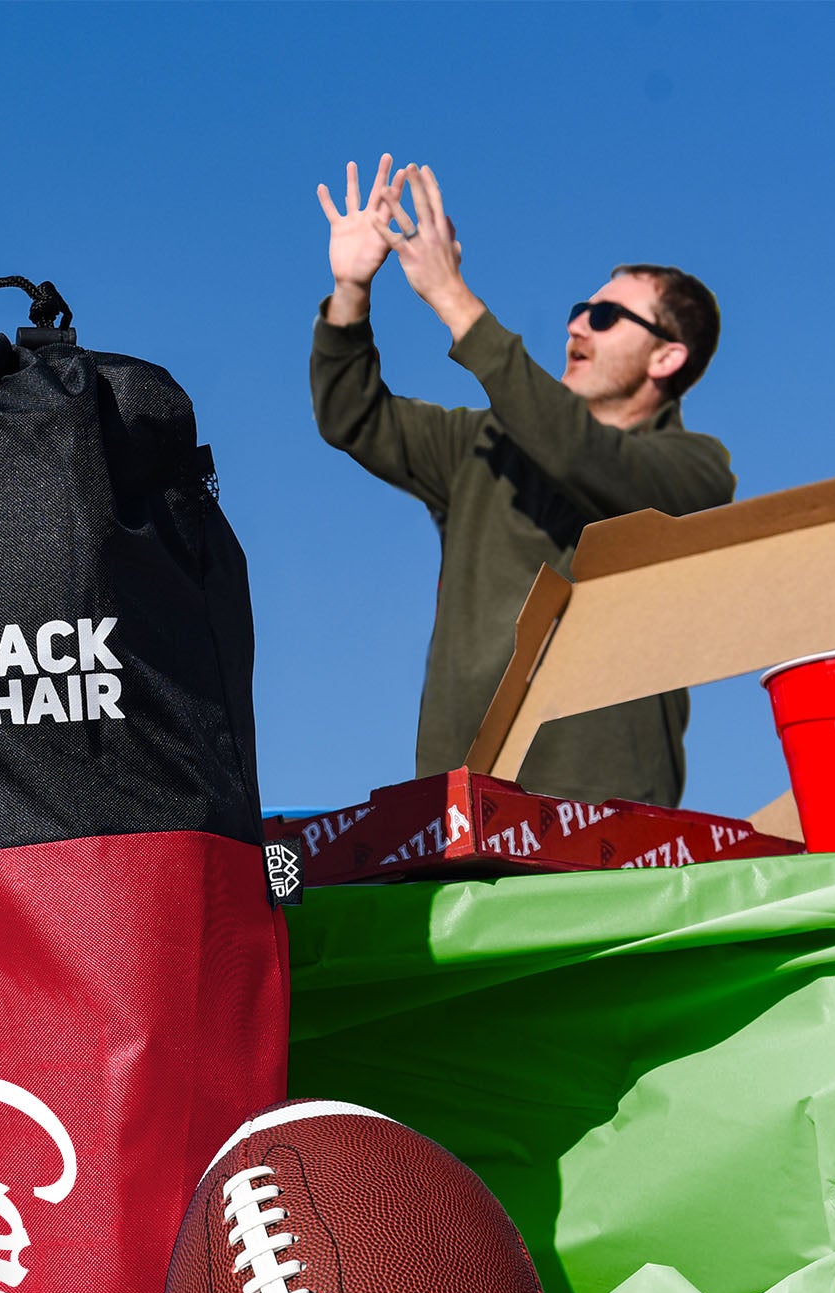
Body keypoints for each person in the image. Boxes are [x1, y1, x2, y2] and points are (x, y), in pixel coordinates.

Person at [311, 156, 733, 806]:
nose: (575, 325)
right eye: (579, 309)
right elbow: (352, 416)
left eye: (605, 317)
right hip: (462, 799)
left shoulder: (696, 472)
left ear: (667, 356)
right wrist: (350, 293)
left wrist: (454, 300)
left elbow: (577, 454)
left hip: (607, 811)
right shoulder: (479, 444)